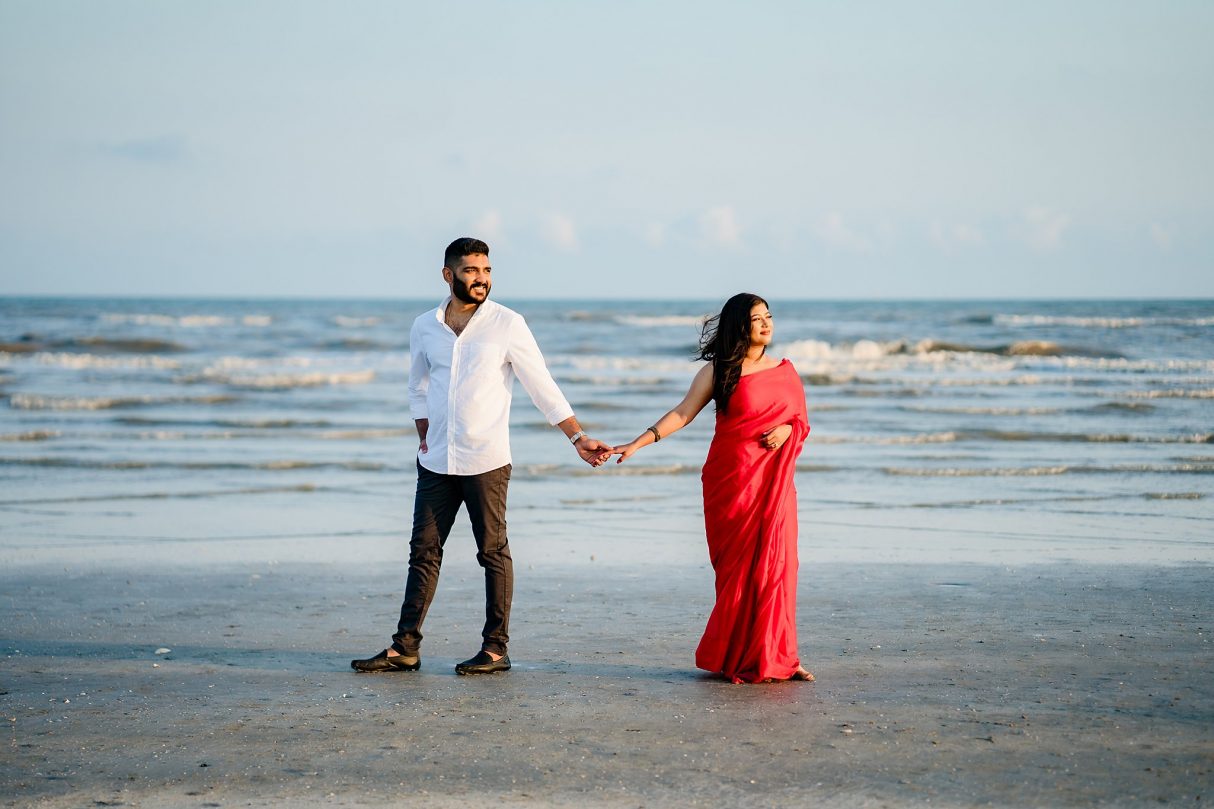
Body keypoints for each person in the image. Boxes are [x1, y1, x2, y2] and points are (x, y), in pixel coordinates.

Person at [352, 237, 612, 676]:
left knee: (492, 552)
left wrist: (577, 436)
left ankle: (495, 649)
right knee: (423, 551)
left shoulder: (507, 324)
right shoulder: (425, 326)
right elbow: (417, 385)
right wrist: (424, 430)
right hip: (436, 461)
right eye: (472, 271)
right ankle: (405, 648)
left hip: (486, 460)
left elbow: (540, 384)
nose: (482, 279)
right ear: (448, 274)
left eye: (487, 271)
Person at [612, 293, 814, 683]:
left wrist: (789, 429)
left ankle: (782, 658)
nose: (767, 324)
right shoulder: (720, 371)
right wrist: (639, 441)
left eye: (769, 317)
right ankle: (738, 656)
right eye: (757, 319)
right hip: (732, 482)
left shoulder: (786, 371)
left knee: (779, 567)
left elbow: (800, 420)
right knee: (737, 572)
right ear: (740, 325)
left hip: (774, 485)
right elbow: (683, 413)